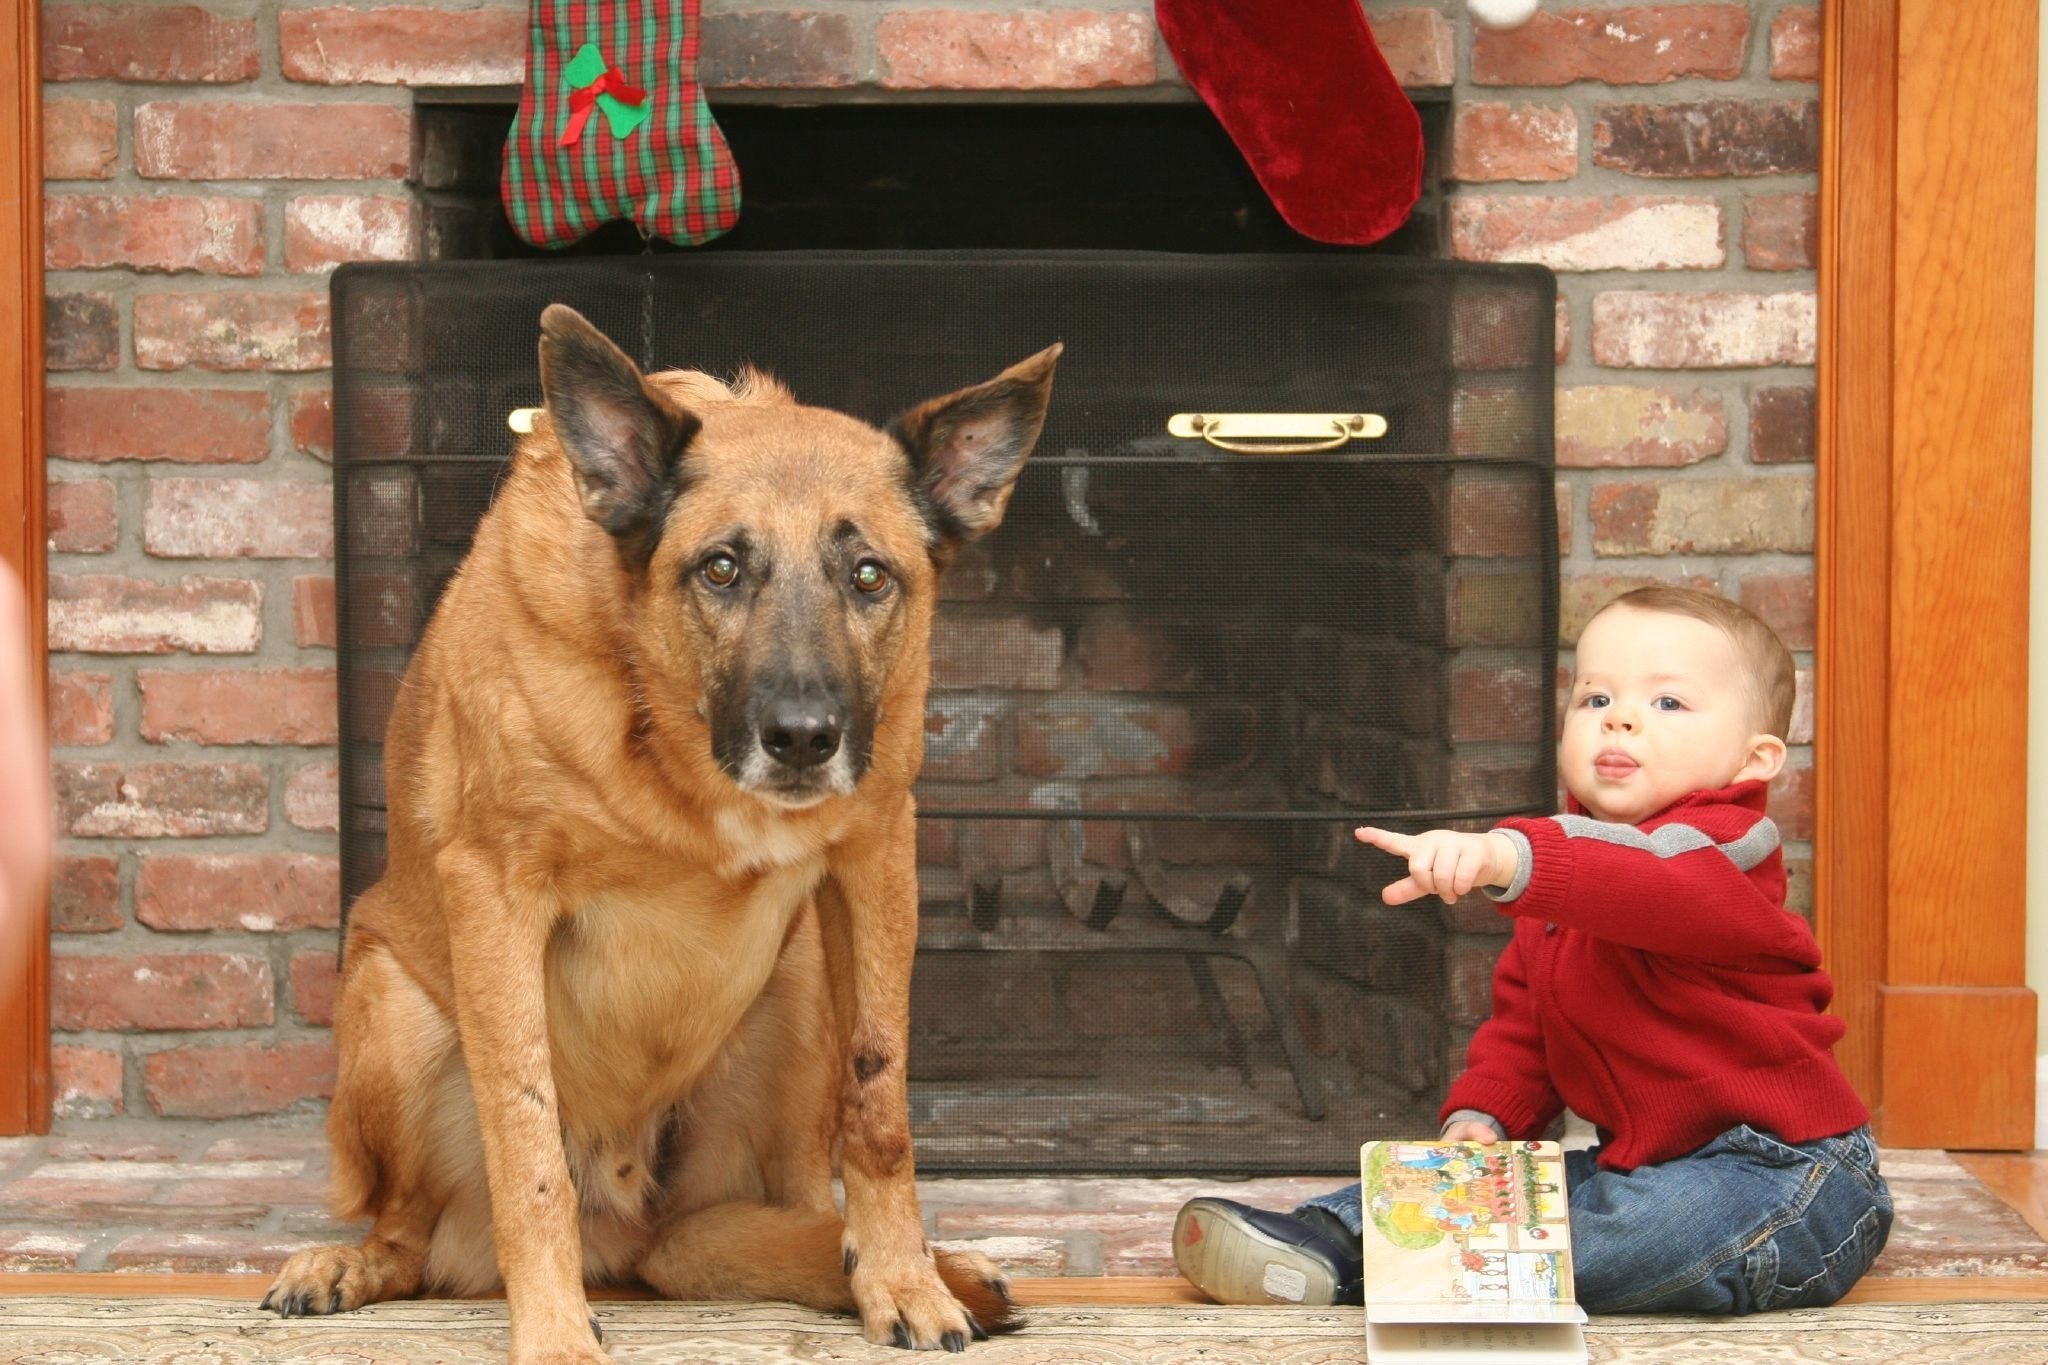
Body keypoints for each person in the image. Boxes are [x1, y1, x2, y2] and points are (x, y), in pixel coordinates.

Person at [1173, 586, 1891, 1315]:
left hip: (1789, 1178)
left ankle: (1408, 1267)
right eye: (1594, 698)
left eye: (1668, 703)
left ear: (1755, 759)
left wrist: (1510, 855)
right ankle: (1325, 1236)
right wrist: (1482, 1122)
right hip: (1644, 1164)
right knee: (1518, 1189)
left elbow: (1644, 882)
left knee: (1624, 1228)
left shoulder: (1727, 856)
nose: (1620, 716)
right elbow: (1524, 1036)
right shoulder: (1559, 899)